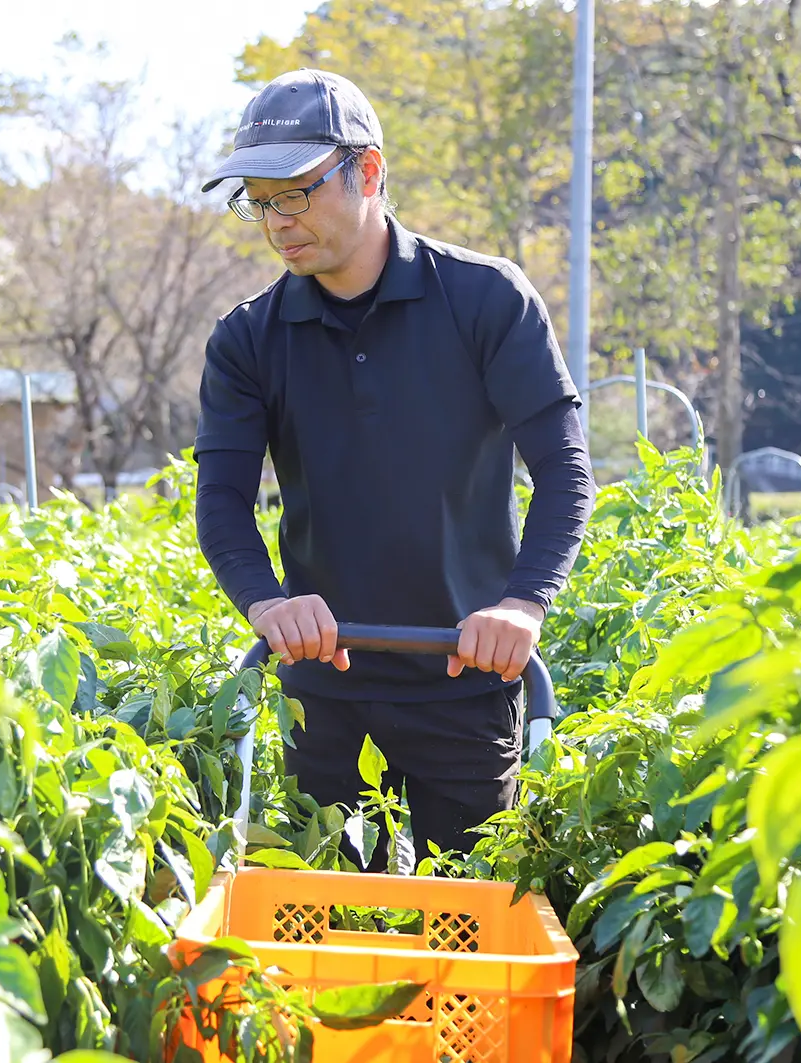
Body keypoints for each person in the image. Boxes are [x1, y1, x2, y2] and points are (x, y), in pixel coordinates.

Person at [193, 68, 595, 872]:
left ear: (367, 171)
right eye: (259, 200)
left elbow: (564, 468)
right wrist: (267, 601)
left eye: (296, 193)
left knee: (465, 924)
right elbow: (223, 501)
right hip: (325, 684)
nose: (277, 222)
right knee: (334, 927)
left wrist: (522, 605)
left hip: (465, 674)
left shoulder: (486, 302)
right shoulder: (248, 340)